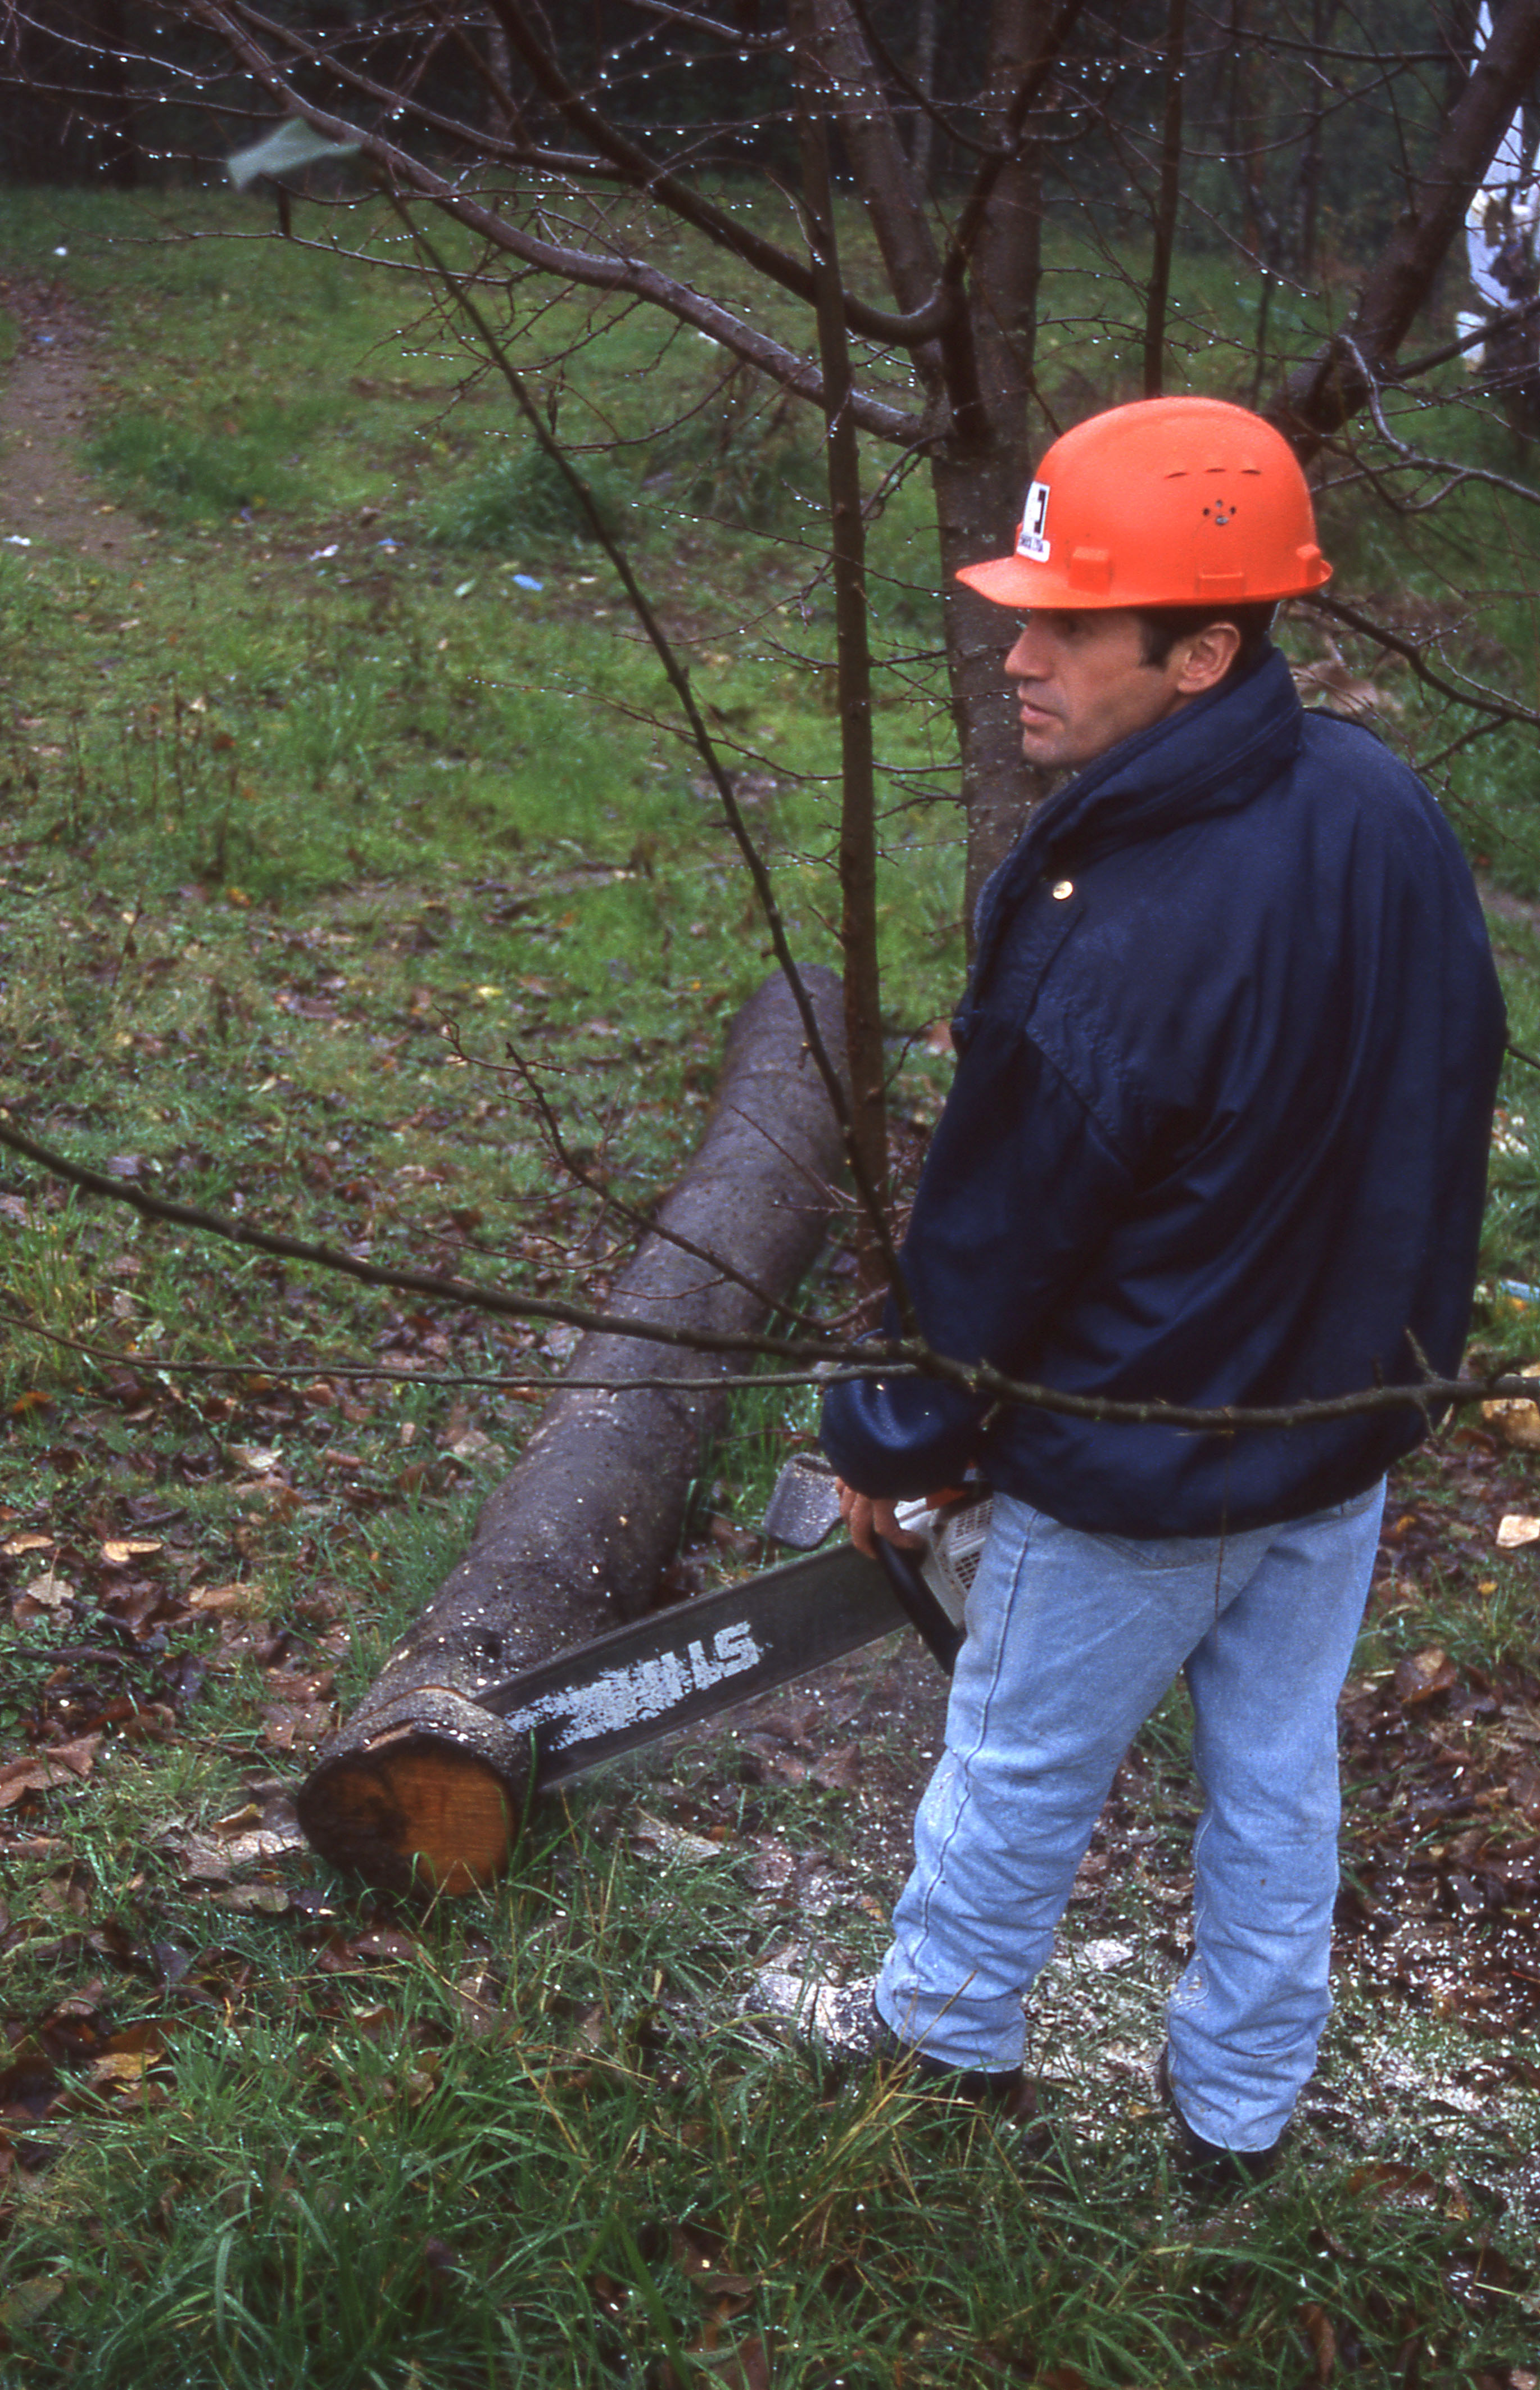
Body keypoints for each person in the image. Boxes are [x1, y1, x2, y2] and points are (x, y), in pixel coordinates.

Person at [815, 395, 1506, 2182]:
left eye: (1064, 624)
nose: (1015, 656)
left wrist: (901, 1436)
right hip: (1330, 1433)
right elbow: (1453, 1091)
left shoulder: (1101, 923)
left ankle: (936, 2059)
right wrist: (1401, 1371)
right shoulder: (1376, 800)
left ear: (1202, 648)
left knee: (1017, 1766)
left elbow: (990, 1243)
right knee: (1274, 1782)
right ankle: (1238, 2119)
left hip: (1137, 1458)